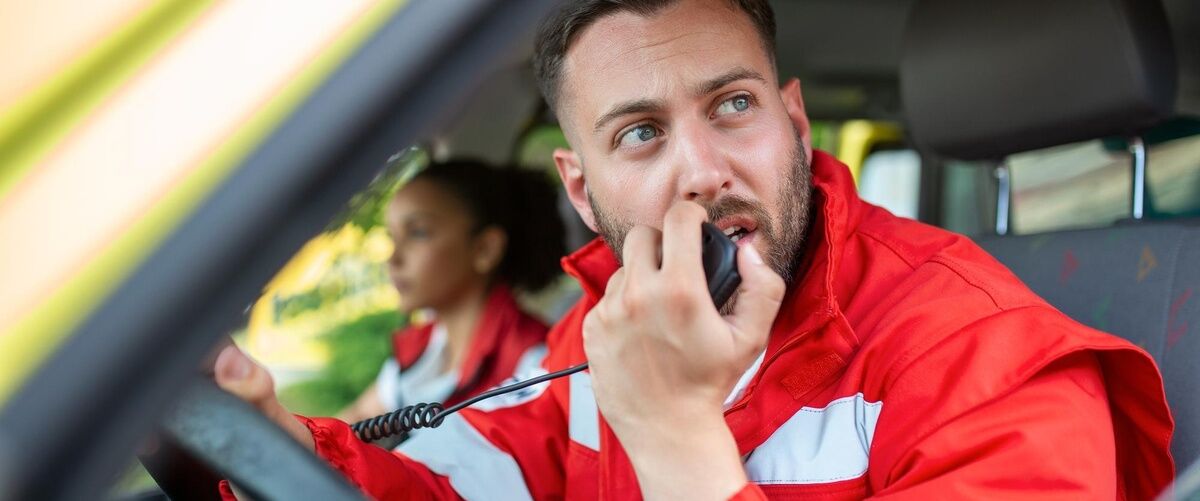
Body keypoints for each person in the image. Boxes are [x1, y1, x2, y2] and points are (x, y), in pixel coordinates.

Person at [213, 1, 1175, 499]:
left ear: (795, 123)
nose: (703, 170)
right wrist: (259, 441)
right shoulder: (607, 336)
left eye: (733, 106)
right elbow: (449, 489)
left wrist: (676, 440)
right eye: (640, 133)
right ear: (581, 190)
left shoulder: (988, 362)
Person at [337, 159, 567, 425]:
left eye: (418, 233)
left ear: (485, 249)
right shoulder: (425, 345)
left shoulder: (534, 364)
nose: (394, 258)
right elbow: (357, 419)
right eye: (393, 237)